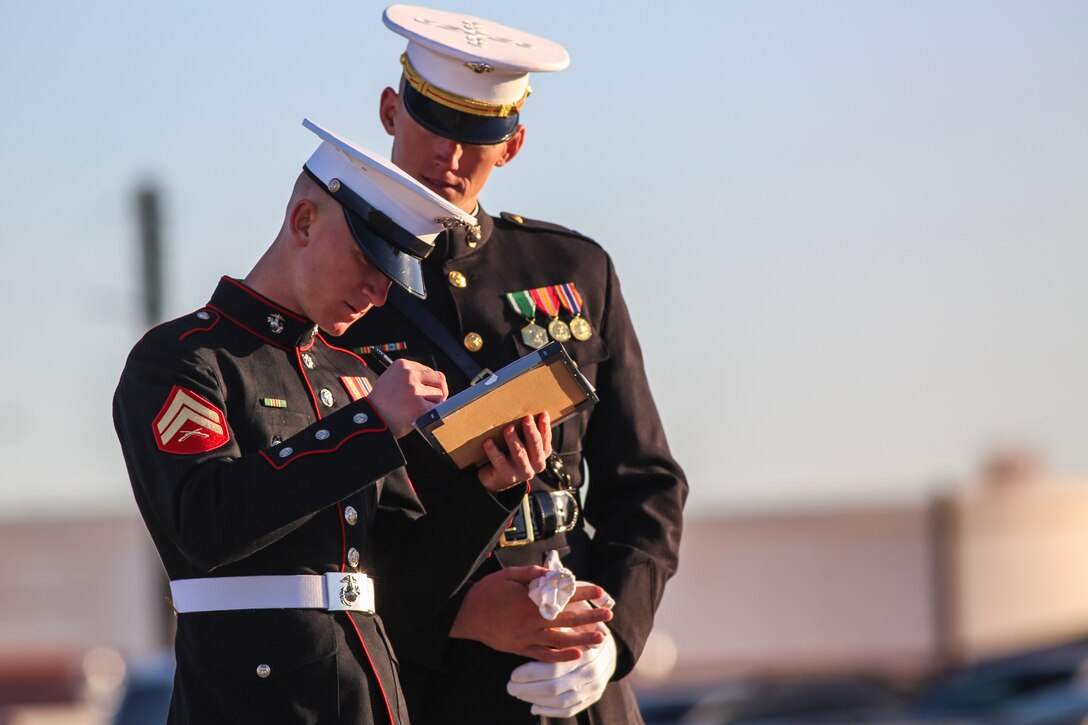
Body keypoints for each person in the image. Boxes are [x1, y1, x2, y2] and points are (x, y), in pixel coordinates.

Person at [112, 119, 572, 724]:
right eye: (366, 260)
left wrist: (491, 490)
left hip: (369, 694)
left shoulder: (353, 373)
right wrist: (372, 422)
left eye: (392, 277)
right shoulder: (185, 358)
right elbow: (207, 522)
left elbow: (405, 587)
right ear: (304, 221)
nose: (379, 295)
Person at [338, 6, 689, 723]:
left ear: (514, 144)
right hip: (427, 688)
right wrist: (457, 614)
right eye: (434, 119)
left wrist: (613, 642)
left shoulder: (573, 268)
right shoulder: (339, 288)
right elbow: (324, 526)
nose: (453, 155)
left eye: (482, 133)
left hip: (578, 678)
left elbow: (647, 485)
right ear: (388, 111)